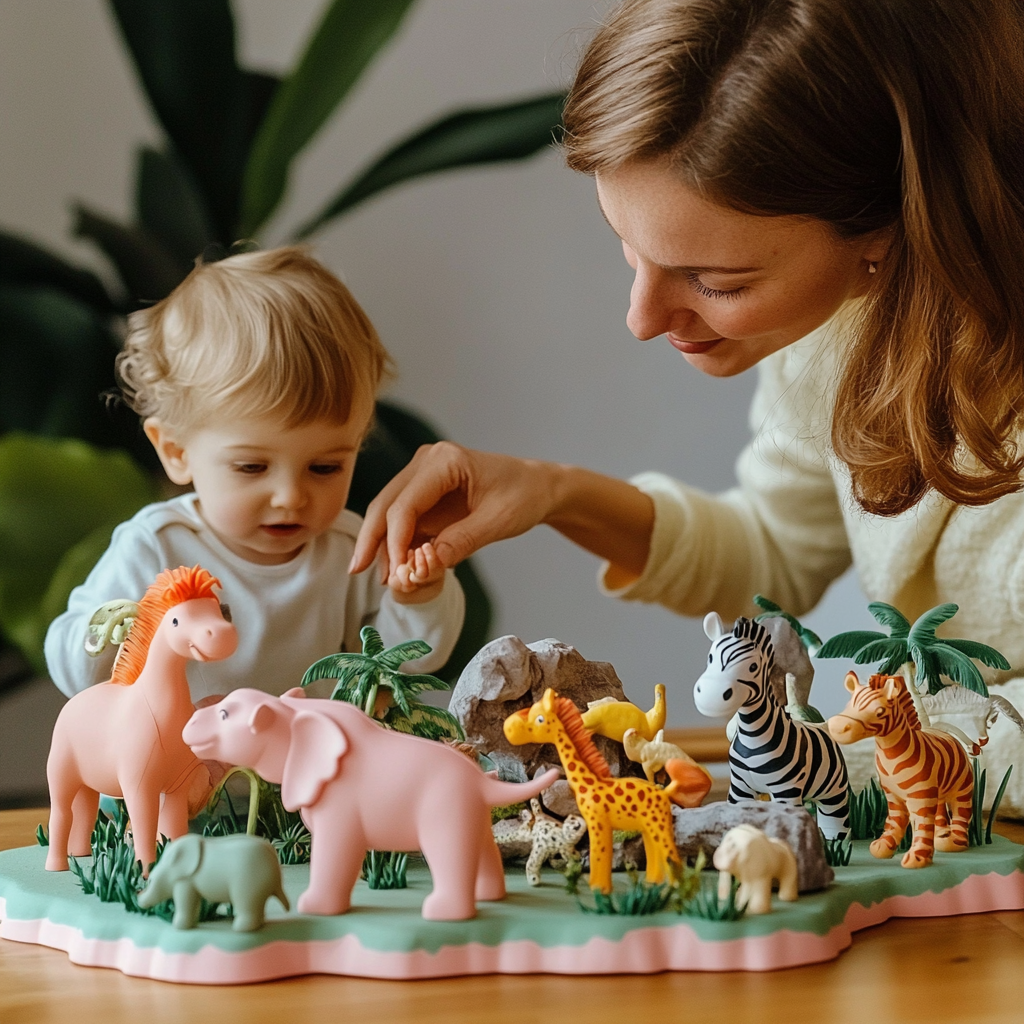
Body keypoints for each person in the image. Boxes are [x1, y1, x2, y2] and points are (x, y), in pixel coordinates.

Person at [349, 0, 1024, 804]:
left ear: (893, 221)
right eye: (627, 247)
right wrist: (551, 491)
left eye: (716, 281)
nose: (641, 320)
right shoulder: (846, 313)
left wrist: (844, 766)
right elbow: (772, 551)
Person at [46, 246, 465, 704]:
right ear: (176, 451)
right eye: (251, 467)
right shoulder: (157, 547)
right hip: (181, 769)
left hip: (310, 769)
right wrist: (117, 631)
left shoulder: (351, 549)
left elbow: (406, 662)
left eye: (325, 467)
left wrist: (416, 598)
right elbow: (76, 671)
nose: (290, 496)